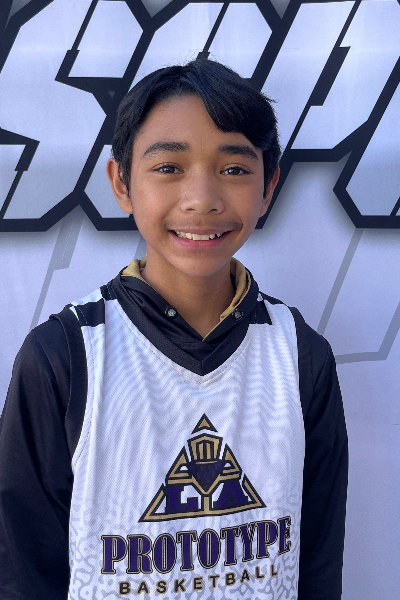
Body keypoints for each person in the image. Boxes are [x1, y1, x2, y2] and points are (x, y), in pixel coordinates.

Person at [0, 60, 347, 600]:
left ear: (269, 186)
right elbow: (22, 571)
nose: (201, 198)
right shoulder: (64, 356)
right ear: (121, 183)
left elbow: (317, 564)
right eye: (168, 167)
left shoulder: (301, 355)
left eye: (235, 169)